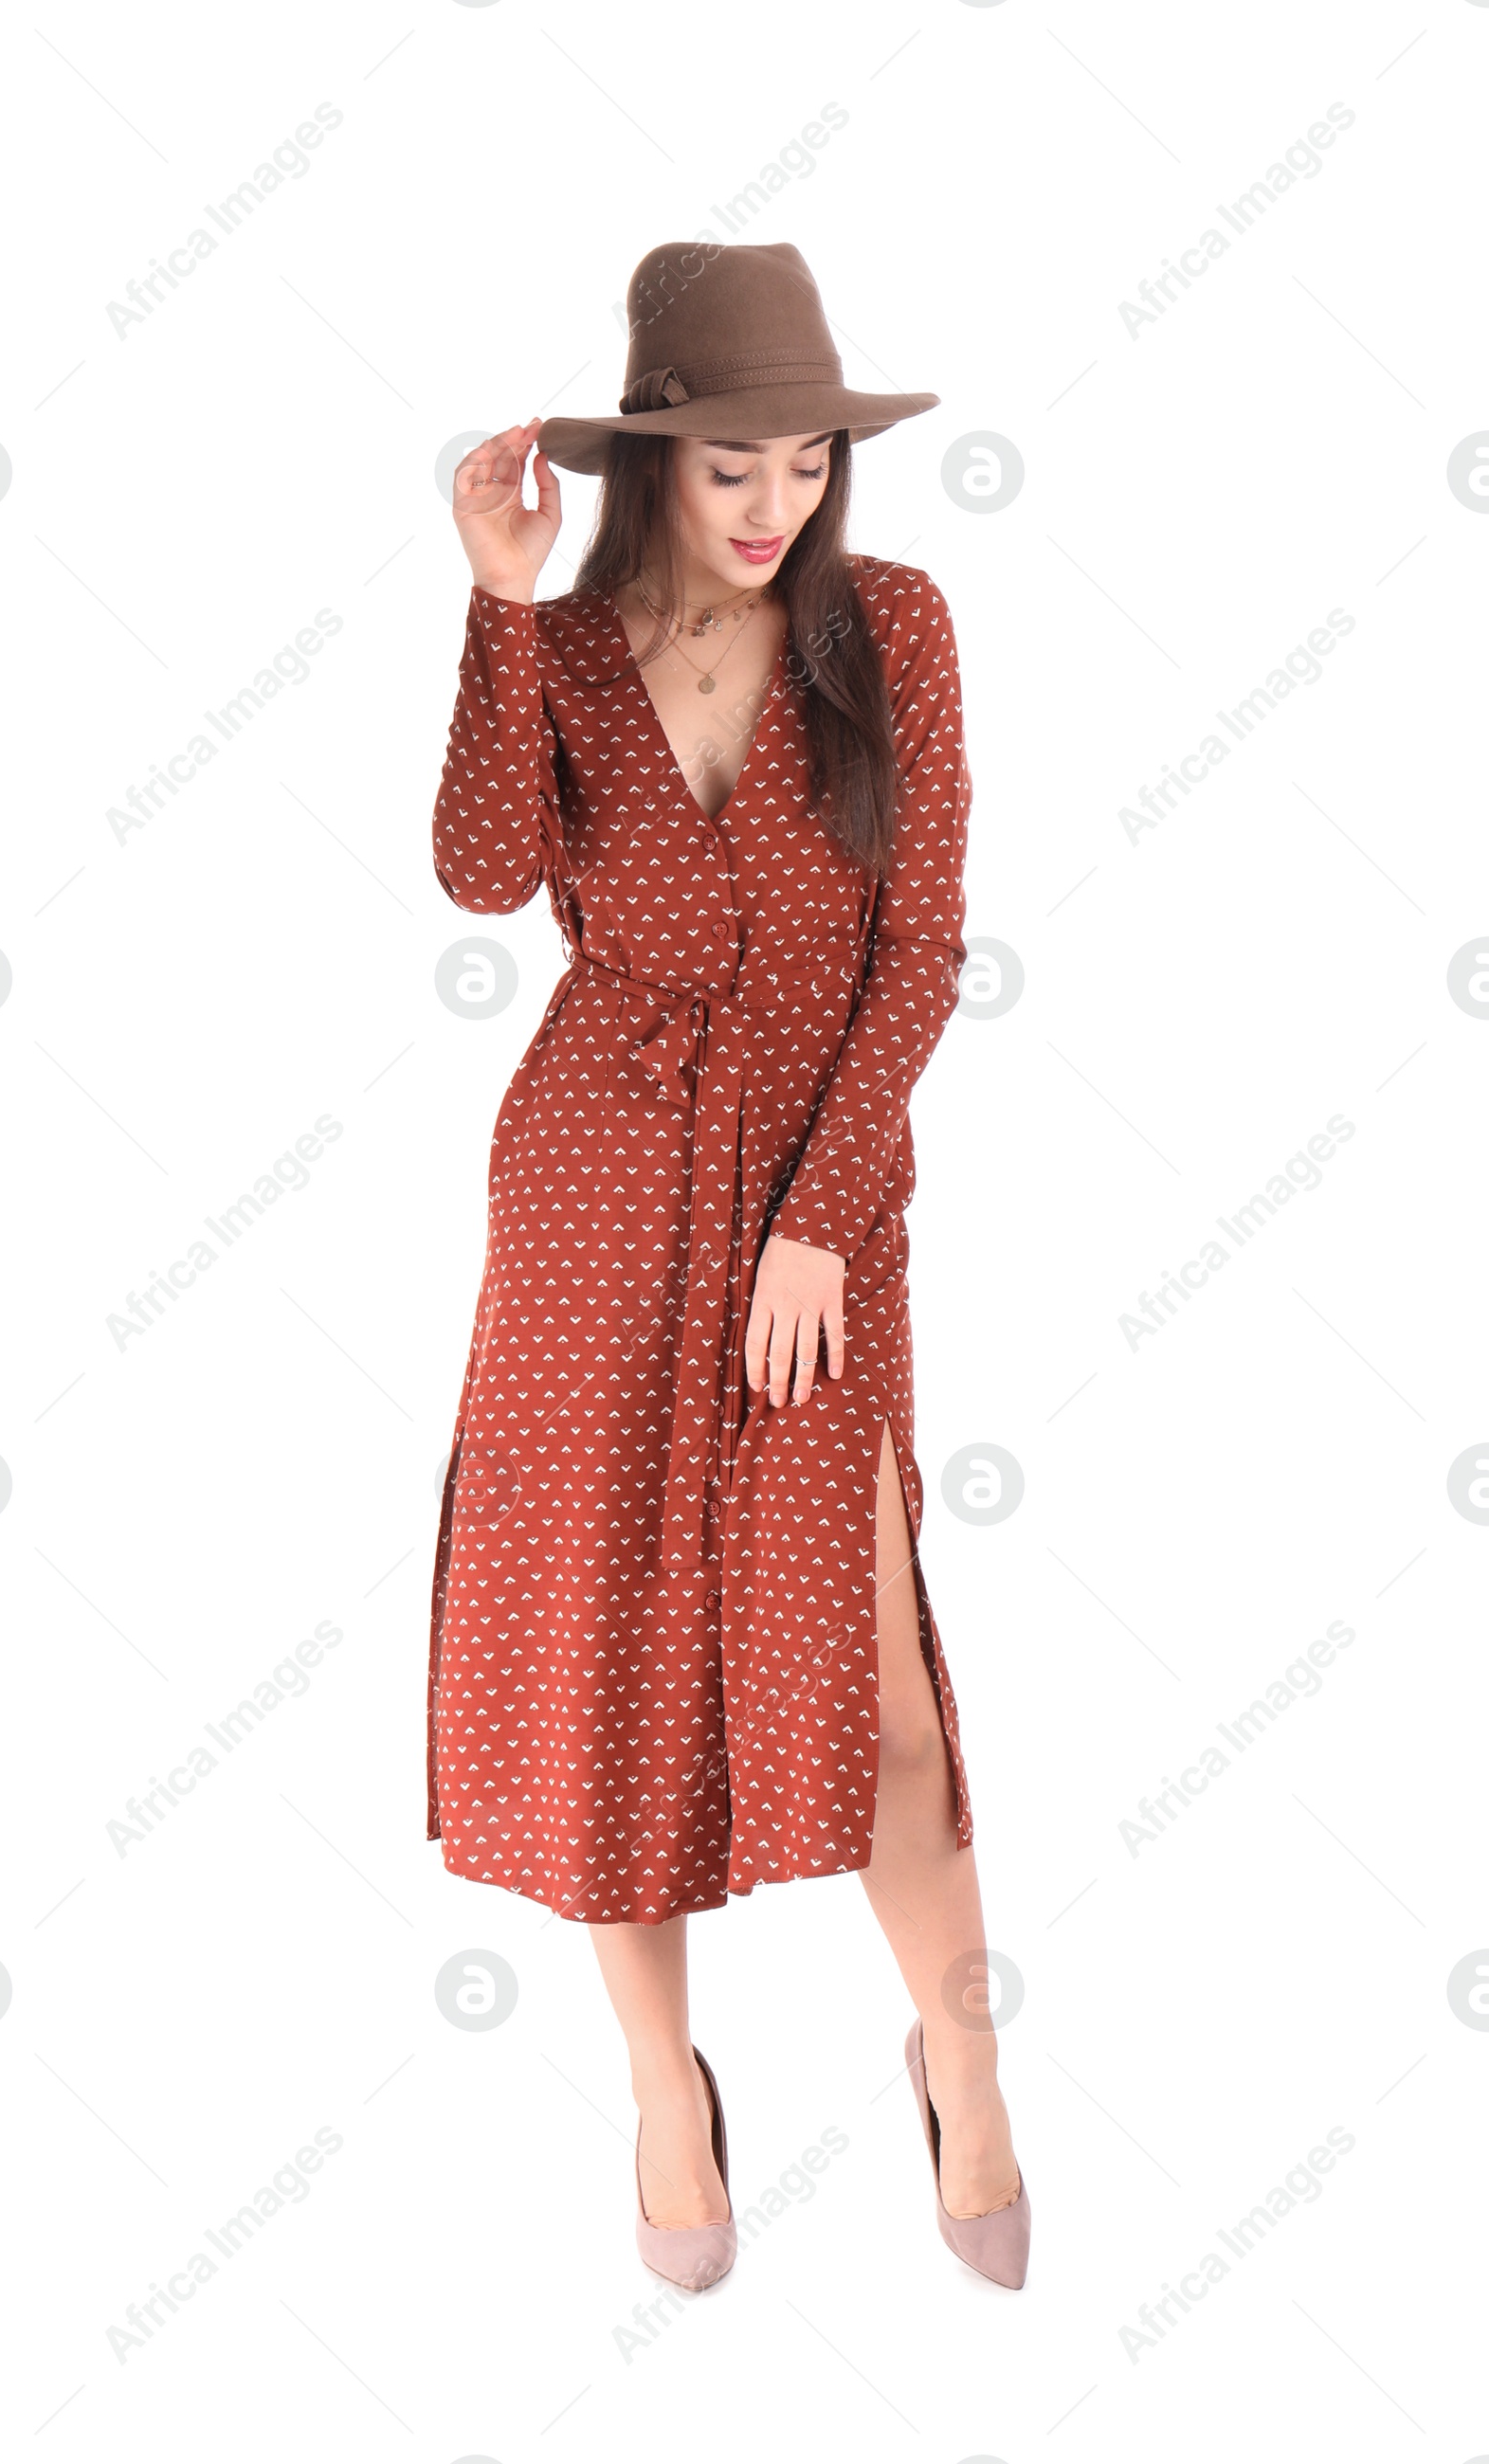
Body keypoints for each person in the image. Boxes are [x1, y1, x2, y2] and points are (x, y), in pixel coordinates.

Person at [426, 240, 1027, 2292]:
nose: (770, 504)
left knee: (876, 1702)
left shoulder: (896, 634)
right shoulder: (571, 646)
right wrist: (499, 612)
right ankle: (661, 2087)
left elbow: (917, 947)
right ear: (647, 465)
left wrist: (819, 1219)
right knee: (603, 1682)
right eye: (726, 468)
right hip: (590, 1205)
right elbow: (485, 869)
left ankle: (963, 2057)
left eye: (798, 463)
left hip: (807, 1206)